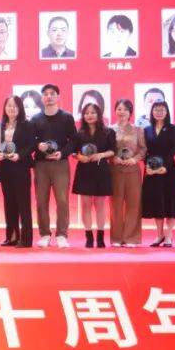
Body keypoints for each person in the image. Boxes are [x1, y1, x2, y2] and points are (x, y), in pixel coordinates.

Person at [30, 84, 76, 248]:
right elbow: (30, 141)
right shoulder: (35, 119)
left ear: (58, 97)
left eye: (52, 94)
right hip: (41, 165)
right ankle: (45, 234)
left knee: (62, 201)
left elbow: (74, 141)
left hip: (60, 164)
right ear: (42, 98)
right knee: (41, 201)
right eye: (46, 94)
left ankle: (62, 234)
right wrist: (38, 146)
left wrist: (62, 153)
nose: (49, 96)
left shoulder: (66, 117)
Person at [72, 103, 116, 249]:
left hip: (101, 169)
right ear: (83, 116)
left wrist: (101, 155)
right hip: (84, 170)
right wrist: (79, 157)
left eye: (93, 112)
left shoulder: (108, 132)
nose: (89, 115)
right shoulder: (79, 133)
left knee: (100, 204)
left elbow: (113, 151)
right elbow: (73, 152)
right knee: (85, 205)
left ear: (99, 114)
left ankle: (101, 236)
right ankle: (89, 236)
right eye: (86, 113)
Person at [0, 95, 35, 247]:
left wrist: (19, 155)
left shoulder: (27, 124)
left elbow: (31, 145)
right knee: (9, 203)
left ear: (20, 108)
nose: (11, 108)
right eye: (9, 105)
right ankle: (12, 236)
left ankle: (26, 239)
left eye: (14, 106)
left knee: (23, 204)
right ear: (4, 108)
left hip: (21, 167)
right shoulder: (0, 125)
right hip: (5, 168)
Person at [142, 100, 175, 247]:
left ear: (167, 112)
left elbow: (174, 149)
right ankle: (159, 235)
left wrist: (165, 166)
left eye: (162, 109)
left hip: (168, 170)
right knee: (156, 202)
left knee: (170, 202)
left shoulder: (173, 129)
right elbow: (144, 150)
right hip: (152, 171)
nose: (159, 112)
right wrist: (147, 166)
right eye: (156, 109)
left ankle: (169, 236)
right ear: (152, 112)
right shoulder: (147, 130)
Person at [108, 99, 145, 247]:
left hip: (132, 171)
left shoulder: (138, 130)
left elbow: (143, 149)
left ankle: (131, 238)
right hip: (115, 170)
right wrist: (113, 158)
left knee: (134, 204)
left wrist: (134, 159)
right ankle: (116, 238)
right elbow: (106, 148)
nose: (121, 112)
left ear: (130, 112)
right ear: (115, 111)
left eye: (125, 109)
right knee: (115, 205)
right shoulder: (109, 130)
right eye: (119, 109)